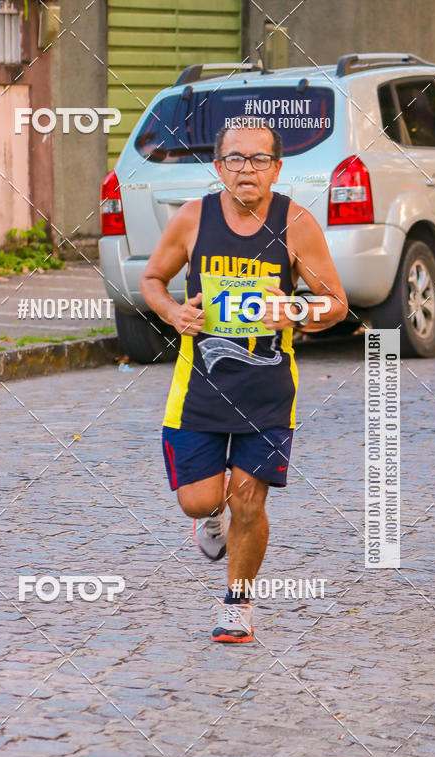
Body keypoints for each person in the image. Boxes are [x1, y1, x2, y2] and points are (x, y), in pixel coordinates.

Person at [140, 123, 347, 643]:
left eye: (258, 160)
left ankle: (237, 603)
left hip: (268, 394)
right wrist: (172, 312)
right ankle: (209, 520)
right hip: (199, 391)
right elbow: (151, 280)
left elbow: (336, 304)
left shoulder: (296, 223)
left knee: (248, 501)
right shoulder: (193, 219)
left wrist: (295, 311)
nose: (246, 169)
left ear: (277, 168)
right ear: (218, 167)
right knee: (199, 500)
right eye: (234, 159)